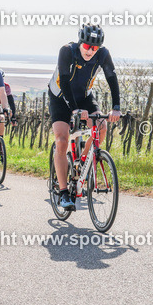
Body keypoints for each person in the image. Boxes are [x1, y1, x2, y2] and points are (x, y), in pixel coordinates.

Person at [48, 24, 121, 211]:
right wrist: (74, 110)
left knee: (102, 126)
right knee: (62, 140)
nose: (90, 51)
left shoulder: (103, 54)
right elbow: (64, 81)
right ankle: (64, 193)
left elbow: (112, 78)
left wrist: (116, 107)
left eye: (94, 48)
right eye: (87, 46)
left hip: (84, 96)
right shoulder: (67, 51)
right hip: (60, 98)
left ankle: (83, 159)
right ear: (80, 42)